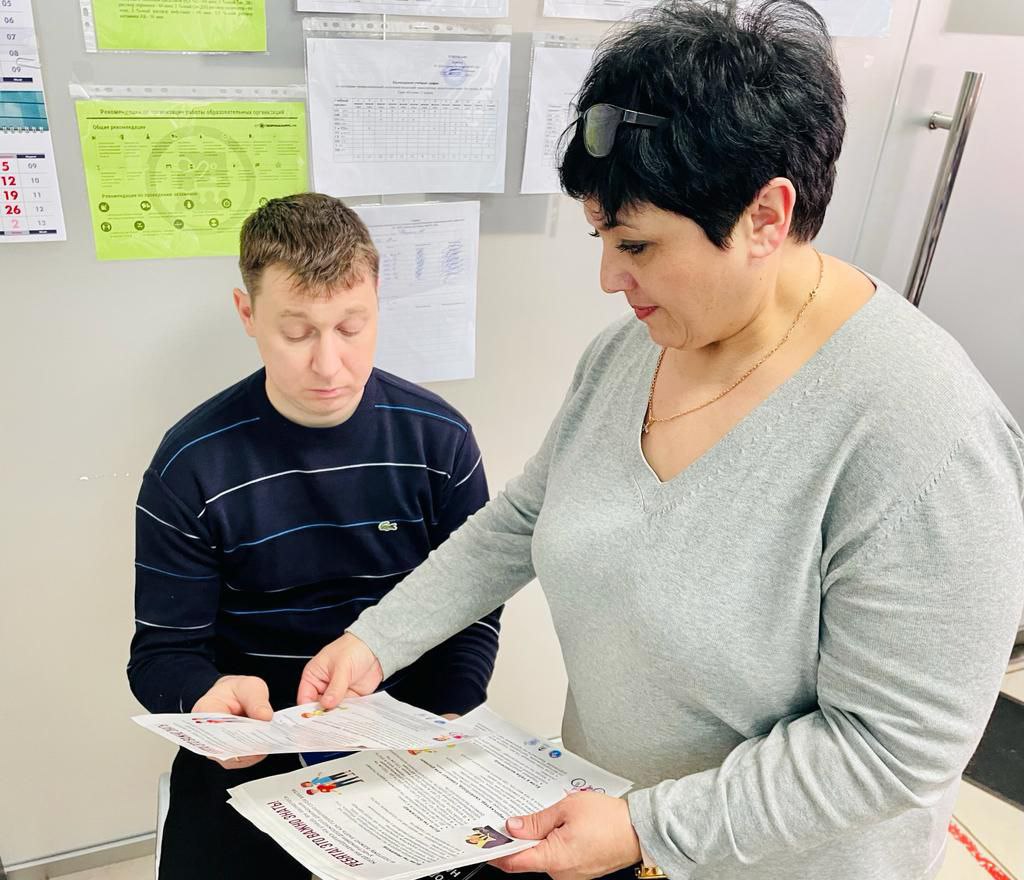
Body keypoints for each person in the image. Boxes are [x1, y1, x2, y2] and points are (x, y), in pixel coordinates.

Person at [294, 3, 1024, 879]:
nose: (610, 277)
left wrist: (648, 827)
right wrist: (378, 640)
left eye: (637, 244)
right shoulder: (633, 351)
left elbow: (891, 747)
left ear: (766, 216)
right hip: (603, 825)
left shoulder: (924, 435)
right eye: (602, 237)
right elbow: (526, 517)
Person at [128, 193, 502, 880]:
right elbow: (161, 654)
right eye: (297, 333)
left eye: (352, 327)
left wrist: (442, 713)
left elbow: (473, 608)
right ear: (247, 314)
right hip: (253, 747)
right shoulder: (193, 465)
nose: (330, 365)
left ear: (378, 303)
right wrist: (205, 699)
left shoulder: (439, 441)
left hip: (406, 739)